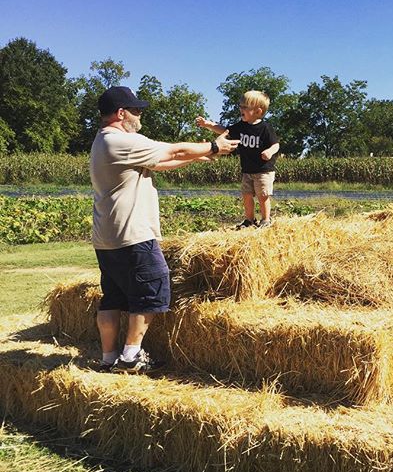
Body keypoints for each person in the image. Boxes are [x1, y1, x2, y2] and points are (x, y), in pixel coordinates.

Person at [90, 86, 239, 373]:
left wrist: (199, 156)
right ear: (122, 113)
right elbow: (173, 149)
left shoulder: (104, 141)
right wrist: (213, 147)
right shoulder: (121, 140)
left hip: (107, 237)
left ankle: (108, 359)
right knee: (153, 286)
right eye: (136, 110)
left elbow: (160, 163)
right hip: (132, 233)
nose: (140, 114)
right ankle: (131, 357)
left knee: (113, 296)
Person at [196, 90, 280, 228]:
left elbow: (276, 144)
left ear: (258, 111)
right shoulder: (240, 126)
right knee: (247, 195)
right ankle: (249, 220)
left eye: (245, 107)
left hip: (264, 170)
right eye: (240, 106)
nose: (241, 109)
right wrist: (208, 124)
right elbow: (224, 131)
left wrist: (270, 151)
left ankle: (266, 220)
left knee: (262, 195)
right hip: (247, 170)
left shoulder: (265, 128)